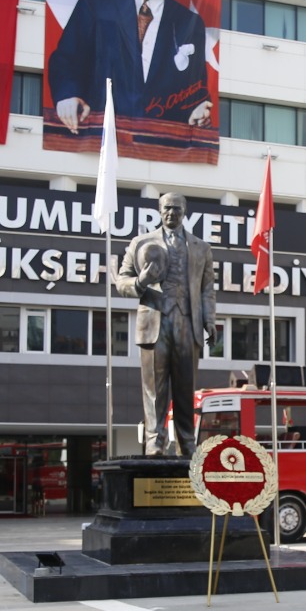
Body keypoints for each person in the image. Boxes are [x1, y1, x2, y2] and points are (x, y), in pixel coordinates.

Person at [47, 0, 212, 131]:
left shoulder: (189, 22)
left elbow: (195, 88)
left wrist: (197, 110)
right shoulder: (98, 1)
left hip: (161, 142)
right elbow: (67, 58)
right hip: (99, 133)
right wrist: (67, 95)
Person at [114, 193, 217, 456]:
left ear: (185, 211)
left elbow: (207, 289)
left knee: (185, 386)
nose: (171, 213)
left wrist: (210, 320)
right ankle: (154, 441)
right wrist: (141, 281)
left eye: (177, 209)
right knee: (154, 386)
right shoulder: (141, 243)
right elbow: (121, 281)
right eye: (167, 208)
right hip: (154, 321)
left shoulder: (201, 248)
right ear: (159, 210)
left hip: (187, 321)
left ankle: (186, 442)